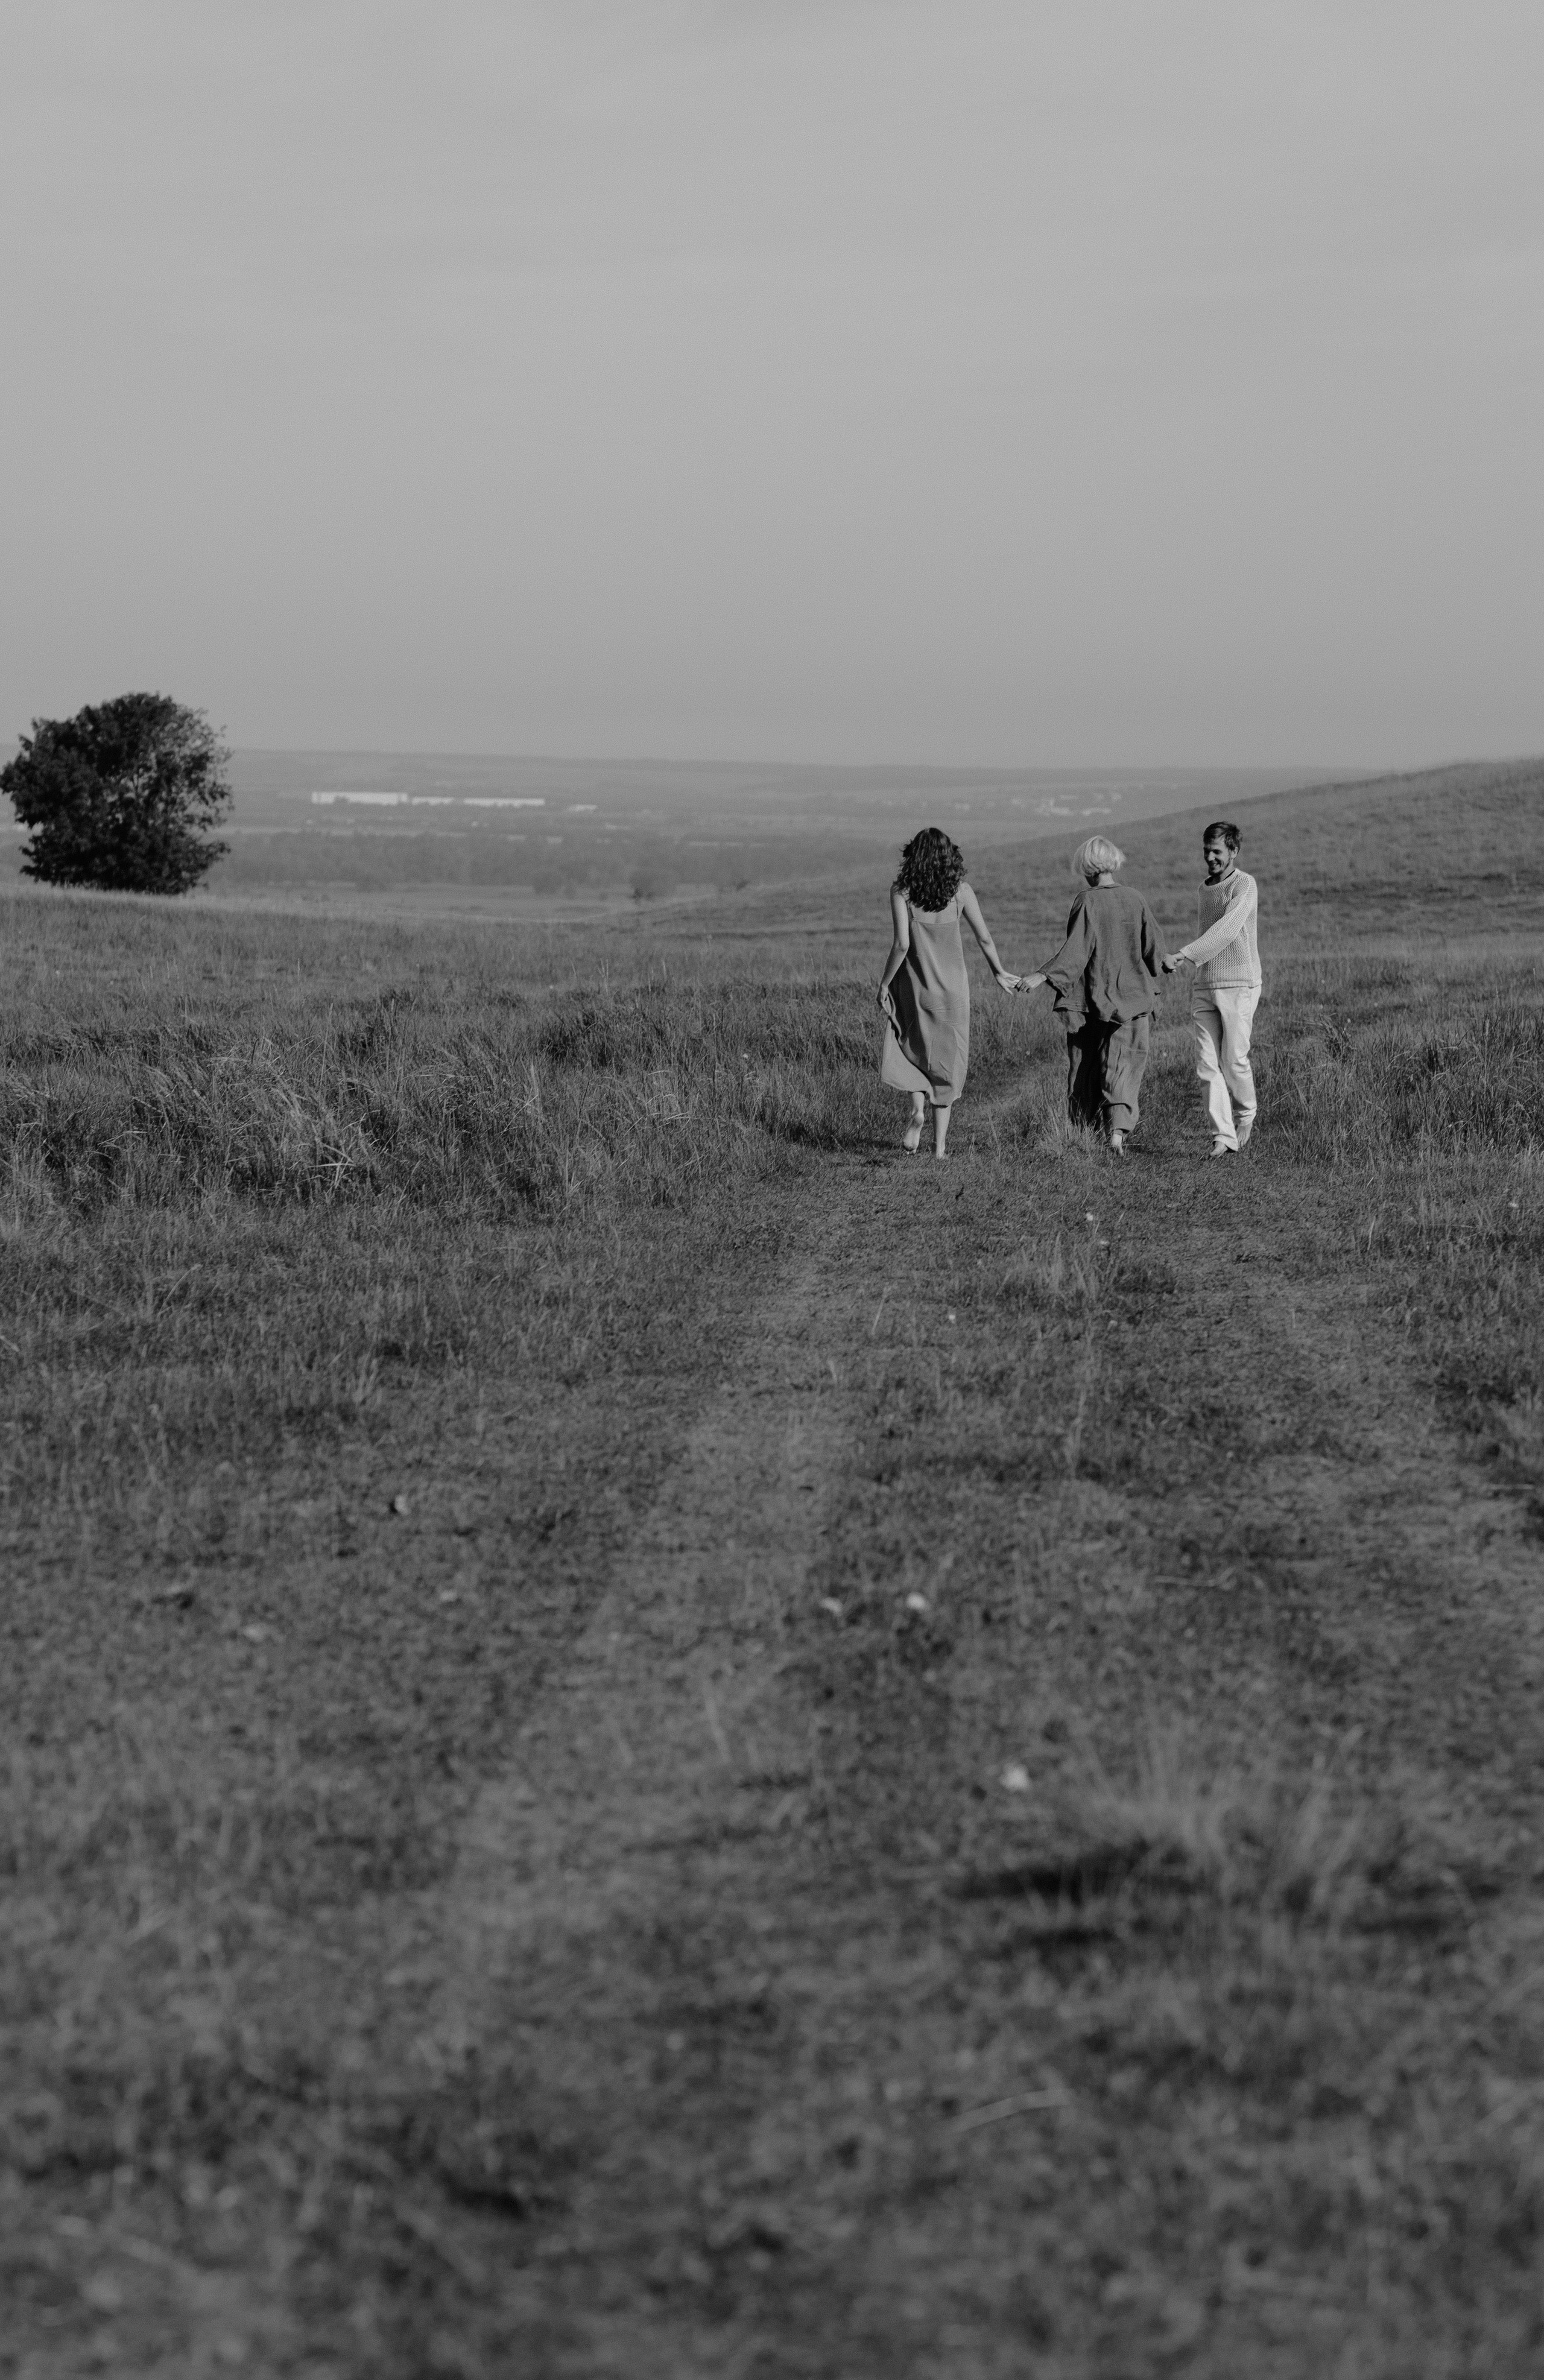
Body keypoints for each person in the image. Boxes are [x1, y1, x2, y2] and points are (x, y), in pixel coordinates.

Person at [1014, 837, 1166, 1156]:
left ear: (1087, 867)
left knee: (1086, 1066)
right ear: (1113, 862)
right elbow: (1154, 950)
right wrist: (1166, 962)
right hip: (1134, 998)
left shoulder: (1087, 901)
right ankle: (1116, 1135)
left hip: (1093, 1000)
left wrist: (1041, 975)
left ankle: (1085, 1133)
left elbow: (1076, 951)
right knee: (1124, 1065)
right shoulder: (1135, 898)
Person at [878, 827, 1017, 1159]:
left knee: (907, 1045)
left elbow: (902, 945)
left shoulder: (902, 892)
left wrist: (884, 983)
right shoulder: (962, 892)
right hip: (954, 993)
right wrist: (998, 971)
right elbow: (984, 938)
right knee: (948, 1064)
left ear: (914, 856)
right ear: (949, 857)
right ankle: (940, 1150)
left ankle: (917, 1110)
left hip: (915, 987)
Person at [1162, 820, 1261, 1157]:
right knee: (1207, 1064)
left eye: (1217, 852)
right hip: (1205, 983)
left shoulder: (1245, 885)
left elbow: (1228, 930)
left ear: (1234, 851)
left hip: (1239, 982)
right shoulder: (1205, 889)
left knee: (1234, 1060)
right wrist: (1191, 962)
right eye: (1207, 851)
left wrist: (1183, 954)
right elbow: (1211, 932)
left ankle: (1247, 1113)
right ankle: (1223, 1136)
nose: (1210, 858)